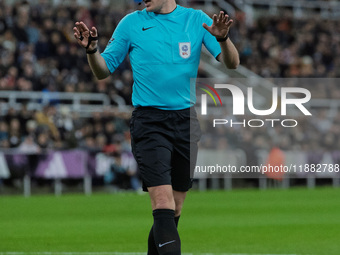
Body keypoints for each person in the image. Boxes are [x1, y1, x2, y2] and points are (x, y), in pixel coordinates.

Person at [73, 0, 239, 254]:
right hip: (149, 122)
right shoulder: (131, 23)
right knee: (162, 201)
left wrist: (224, 39)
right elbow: (102, 71)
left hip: (185, 121)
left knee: (175, 208)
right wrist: (92, 50)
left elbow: (232, 63)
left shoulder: (195, 19)